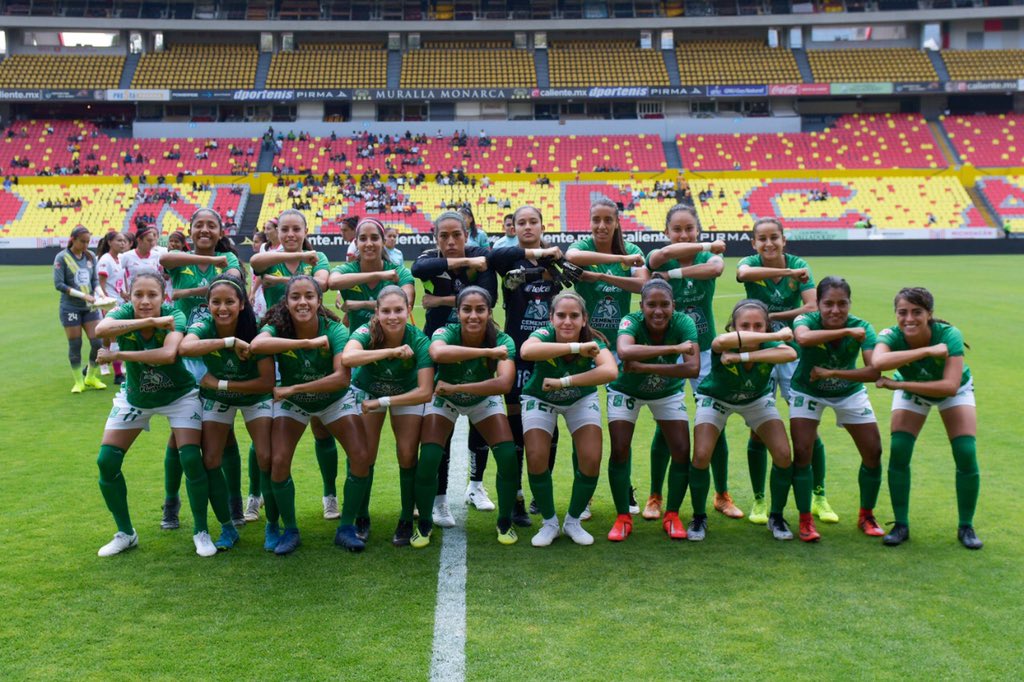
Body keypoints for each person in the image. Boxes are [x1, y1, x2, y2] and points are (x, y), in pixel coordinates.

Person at [250, 276, 371, 554]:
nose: (302, 302)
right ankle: (290, 529)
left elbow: (342, 379)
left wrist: (295, 387)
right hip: (294, 404)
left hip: (331, 400)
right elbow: (257, 346)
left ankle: (347, 527)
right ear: (287, 301)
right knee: (278, 461)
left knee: (361, 456)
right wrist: (305, 344)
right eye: (295, 297)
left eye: (309, 296)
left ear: (319, 301)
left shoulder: (334, 330)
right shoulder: (278, 327)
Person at [92, 269, 208, 557]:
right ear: (129, 297)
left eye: (152, 295)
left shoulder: (175, 315)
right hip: (136, 398)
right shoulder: (129, 313)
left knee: (192, 458)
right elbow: (100, 330)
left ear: (163, 296)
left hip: (179, 395)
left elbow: (168, 355)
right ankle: (125, 533)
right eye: (138, 295)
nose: (145, 300)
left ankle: (201, 531)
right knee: (106, 462)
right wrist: (151, 321)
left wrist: (117, 355)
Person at [645, 205, 737, 520]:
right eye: (678, 229)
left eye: (690, 229)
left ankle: (722, 494)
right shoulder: (662, 255)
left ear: (697, 230)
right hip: (669, 350)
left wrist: (671, 275)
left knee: (714, 422)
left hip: (706, 351)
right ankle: (655, 495)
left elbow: (714, 270)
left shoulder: (706, 258)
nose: (684, 234)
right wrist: (696, 249)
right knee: (667, 423)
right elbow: (656, 260)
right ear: (667, 232)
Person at [871, 287, 982, 550]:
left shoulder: (949, 335)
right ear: (896, 314)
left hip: (951, 391)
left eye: (917, 312)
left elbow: (949, 387)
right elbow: (878, 361)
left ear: (929, 314)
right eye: (902, 312)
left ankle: (966, 525)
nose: (909, 318)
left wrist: (899, 386)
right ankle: (901, 524)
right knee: (899, 451)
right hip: (911, 387)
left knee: (966, 452)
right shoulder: (890, 334)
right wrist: (925, 352)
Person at [251, 208, 340, 520]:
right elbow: (255, 264)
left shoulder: (319, 257)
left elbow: (323, 285)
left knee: (319, 423)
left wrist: (279, 279)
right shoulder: (272, 254)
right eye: (284, 230)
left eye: (295, 230)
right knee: (264, 422)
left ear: (305, 231)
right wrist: (288, 272)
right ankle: (255, 494)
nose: (289, 235)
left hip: (310, 334)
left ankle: (330, 493)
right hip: (275, 336)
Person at [160, 209, 246, 526]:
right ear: (191, 230)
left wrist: (185, 292)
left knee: (226, 435)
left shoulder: (232, 261)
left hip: (218, 356)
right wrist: (211, 268)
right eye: (199, 225)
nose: (205, 230)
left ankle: (234, 502)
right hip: (185, 358)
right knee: (179, 435)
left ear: (221, 231)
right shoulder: (181, 260)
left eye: (212, 225)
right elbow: (167, 260)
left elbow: (232, 284)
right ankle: (171, 503)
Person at [412, 211, 498, 526]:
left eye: (456, 235)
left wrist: (440, 300)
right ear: (435, 238)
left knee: (481, 423)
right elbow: (419, 268)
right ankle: (440, 500)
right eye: (443, 236)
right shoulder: (431, 258)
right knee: (439, 430)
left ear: (467, 235)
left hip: (477, 348)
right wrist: (459, 267)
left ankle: (476, 486)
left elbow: (488, 297)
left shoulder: (481, 256)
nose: (450, 242)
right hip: (438, 351)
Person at [565, 196, 649, 516]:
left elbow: (641, 286)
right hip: (587, 347)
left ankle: (622, 486)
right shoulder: (584, 246)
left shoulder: (632, 252)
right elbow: (572, 256)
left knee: (619, 429)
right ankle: (583, 493)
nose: (601, 226)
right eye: (596, 220)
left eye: (607, 220)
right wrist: (614, 264)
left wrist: (599, 275)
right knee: (583, 424)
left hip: (620, 347)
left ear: (617, 222)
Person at [736, 217, 822, 525]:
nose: (769, 243)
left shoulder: (801, 264)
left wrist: (770, 315)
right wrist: (787, 274)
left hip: (793, 353)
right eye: (763, 239)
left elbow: (812, 308)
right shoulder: (758, 264)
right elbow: (743, 273)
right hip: (759, 352)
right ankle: (759, 499)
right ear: (754, 243)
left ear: (784, 239)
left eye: (775, 237)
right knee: (758, 427)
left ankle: (818, 494)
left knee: (806, 425)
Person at [179, 274, 275, 550]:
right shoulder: (204, 324)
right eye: (216, 302)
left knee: (267, 457)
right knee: (210, 460)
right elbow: (186, 347)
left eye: (230, 302)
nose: (223, 308)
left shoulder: (256, 330)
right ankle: (227, 527)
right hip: (219, 397)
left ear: (242, 304)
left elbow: (267, 383)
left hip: (253, 396)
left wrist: (221, 382)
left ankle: (273, 526)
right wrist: (229, 342)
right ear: (207, 305)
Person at [690, 299, 798, 542]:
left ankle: (776, 517)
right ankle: (698, 517)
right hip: (716, 398)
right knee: (701, 455)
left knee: (783, 453)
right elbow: (719, 342)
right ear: (733, 326)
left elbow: (790, 352)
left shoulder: (770, 344)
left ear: (767, 328)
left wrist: (744, 355)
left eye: (759, 325)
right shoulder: (724, 341)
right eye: (745, 325)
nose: (752, 329)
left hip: (756, 399)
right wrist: (777, 335)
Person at [420, 287, 519, 545]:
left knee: (508, 456)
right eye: (467, 310)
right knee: (429, 457)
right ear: (458, 312)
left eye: (480, 310)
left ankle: (505, 522)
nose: (473, 316)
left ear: (489, 312)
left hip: (479, 398)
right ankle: (423, 524)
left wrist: (458, 388)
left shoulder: (502, 338)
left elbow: (504, 384)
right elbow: (438, 353)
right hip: (446, 399)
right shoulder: (447, 331)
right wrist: (487, 353)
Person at [519, 291, 619, 547]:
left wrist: (565, 382)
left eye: (574, 316)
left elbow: (610, 370)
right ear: (550, 318)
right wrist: (575, 347)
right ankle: (550, 523)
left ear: (584, 319)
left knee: (591, 458)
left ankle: (573, 521)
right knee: (536, 456)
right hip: (541, 398)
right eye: (561, 315)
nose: (567, 321)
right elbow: (526, 351)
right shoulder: (544, 335)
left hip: (580, 399)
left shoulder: (593, 340)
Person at [487, 205, 566, 526]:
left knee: (550, 424)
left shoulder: (556, 260)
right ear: (514, 227)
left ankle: (538, 492)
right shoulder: (509, 257)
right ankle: (517, 494)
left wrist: (547, 261)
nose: (528, 226)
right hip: (517, 353)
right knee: (516, 425)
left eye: (533, 221)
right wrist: (538, 260)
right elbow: (495, 261)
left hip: (549, 353)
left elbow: (563, 276)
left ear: (542, 225)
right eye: (522, 222)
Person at [790, 277, 884, 542]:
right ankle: (805, 519)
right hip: (807, 390)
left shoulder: (863, 327)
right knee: (802, 451)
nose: (835, 310)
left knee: (873, 452)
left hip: (848, 392)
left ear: (850, 304)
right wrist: (844, 333)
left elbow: (874, 371)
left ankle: (867, 514)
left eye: (842, 304)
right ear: (817, 304)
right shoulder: (806, 321)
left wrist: (832, 372)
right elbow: (803, 338)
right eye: (828, 304)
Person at [607, 280, 699, 541]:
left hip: (666, 392)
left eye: (664, 305)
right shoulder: (630, 320)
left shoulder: (684, 323)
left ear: (674, 305)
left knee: (681, 450)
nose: (658, 311)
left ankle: (672, 515)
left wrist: (645, 366)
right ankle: (623, 517)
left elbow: (692, 368)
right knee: (619, 449)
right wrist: (674, 349)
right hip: (626, 389)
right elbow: (625, 351)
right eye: (652, 305)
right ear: (642, 306)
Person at [342, 286, 434, 546]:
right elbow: (348, 358)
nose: (392, 316)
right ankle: (361, 516)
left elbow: (425, 392)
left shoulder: (419, 340)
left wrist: (383, 401)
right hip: (367, 389)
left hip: (405, 395)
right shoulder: (366, 332)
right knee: (365, 455)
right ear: (376, 312)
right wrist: (391, 352)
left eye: (398, 310)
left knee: (407, 453)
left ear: (408, 311)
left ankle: (406, 518)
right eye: (386, 311)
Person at [328, 218, 415, 333]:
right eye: (363, 239)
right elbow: (333, 283)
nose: (369, 244)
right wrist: (378, 275)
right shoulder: (348, 269)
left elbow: (405, 304)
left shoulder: (401, 273)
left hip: (392, 346)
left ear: (383, 241)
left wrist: (360, 304)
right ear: (356, 243)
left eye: (374, 238)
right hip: (358, 347)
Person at [54, 226, 106, 394]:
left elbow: (95, 281)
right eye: (82, 241)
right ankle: (78, 381)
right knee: (75, 344)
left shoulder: (90, 256)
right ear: (73, 239)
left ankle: (91, 376)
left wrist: (101, 294)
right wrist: (84, 296)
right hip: (70, 308)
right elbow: (59, 285)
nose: (85, 245)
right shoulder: (62, 258)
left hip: (89, 308)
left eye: (88, 242)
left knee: (97, 342)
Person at [97, 230, 131, 384]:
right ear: (110, 242)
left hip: (119, 301)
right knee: (115, 335)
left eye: (124, 241)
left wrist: (124, 293)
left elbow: (117, 282)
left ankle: (101, 361)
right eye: (119, 240)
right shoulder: (106, 260)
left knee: (109, 336)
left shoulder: (119, 259)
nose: (122, 243)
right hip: (109, 303)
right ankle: (118, 373)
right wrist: (105, 301)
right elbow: (101, 283)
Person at [120, 224, 168, 302]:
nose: (152, 243)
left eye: (153, 240)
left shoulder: (157, 256)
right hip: (134, 296)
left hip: (153, 296)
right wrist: (123, 291)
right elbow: (119, 276)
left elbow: (162, 276)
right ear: (139, 240)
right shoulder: (127, 256)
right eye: (149, 240)